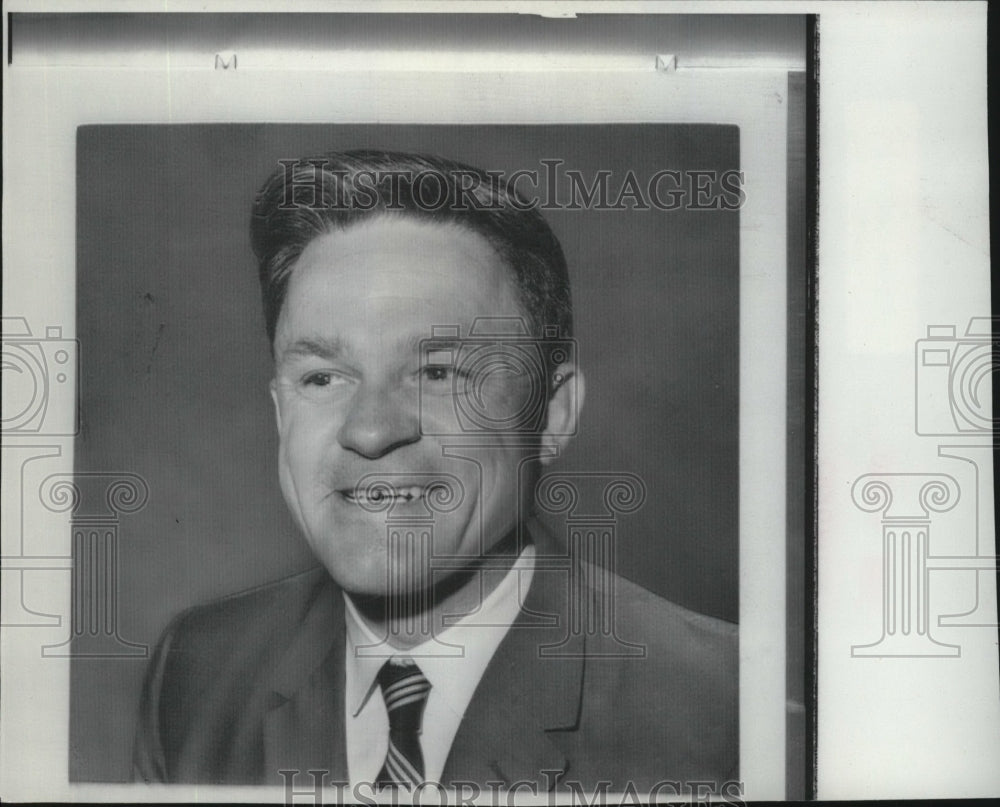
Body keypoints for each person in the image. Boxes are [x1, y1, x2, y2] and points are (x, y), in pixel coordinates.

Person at [133, 150, 737, 795]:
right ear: (281, 412)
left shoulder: (727, 710)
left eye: (438, 372)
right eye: (322, 377)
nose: (369, 429)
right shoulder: (196, 670)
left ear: (553, 412)